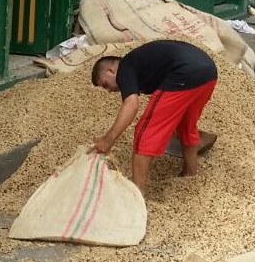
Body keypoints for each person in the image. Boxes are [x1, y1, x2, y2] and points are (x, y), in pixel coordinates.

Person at [90, 39, 218, 196]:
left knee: (145, 132)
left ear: (110, 70)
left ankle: (136, 193)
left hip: (184, 72)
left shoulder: (125, 67)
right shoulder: (139, 63)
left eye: (105, 85)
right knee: (186, 125)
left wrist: (108, 139)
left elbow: (131, 105)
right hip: (208, 72)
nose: (109, 90)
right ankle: (190, 173)